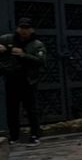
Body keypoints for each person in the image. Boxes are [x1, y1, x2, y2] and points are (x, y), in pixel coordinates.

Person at [0, 17, 47, 146]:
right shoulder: (8, 39)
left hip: (28, 81)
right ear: (18, 28)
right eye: (22, 28)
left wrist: (24, 55)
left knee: (31, 110)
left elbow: (41, 61)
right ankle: (14, 136)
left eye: (27, 28)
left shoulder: (37, 44)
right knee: (12, 110)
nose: (24, 31)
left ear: (31, 30)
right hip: (12, 79)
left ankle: (35, 135)